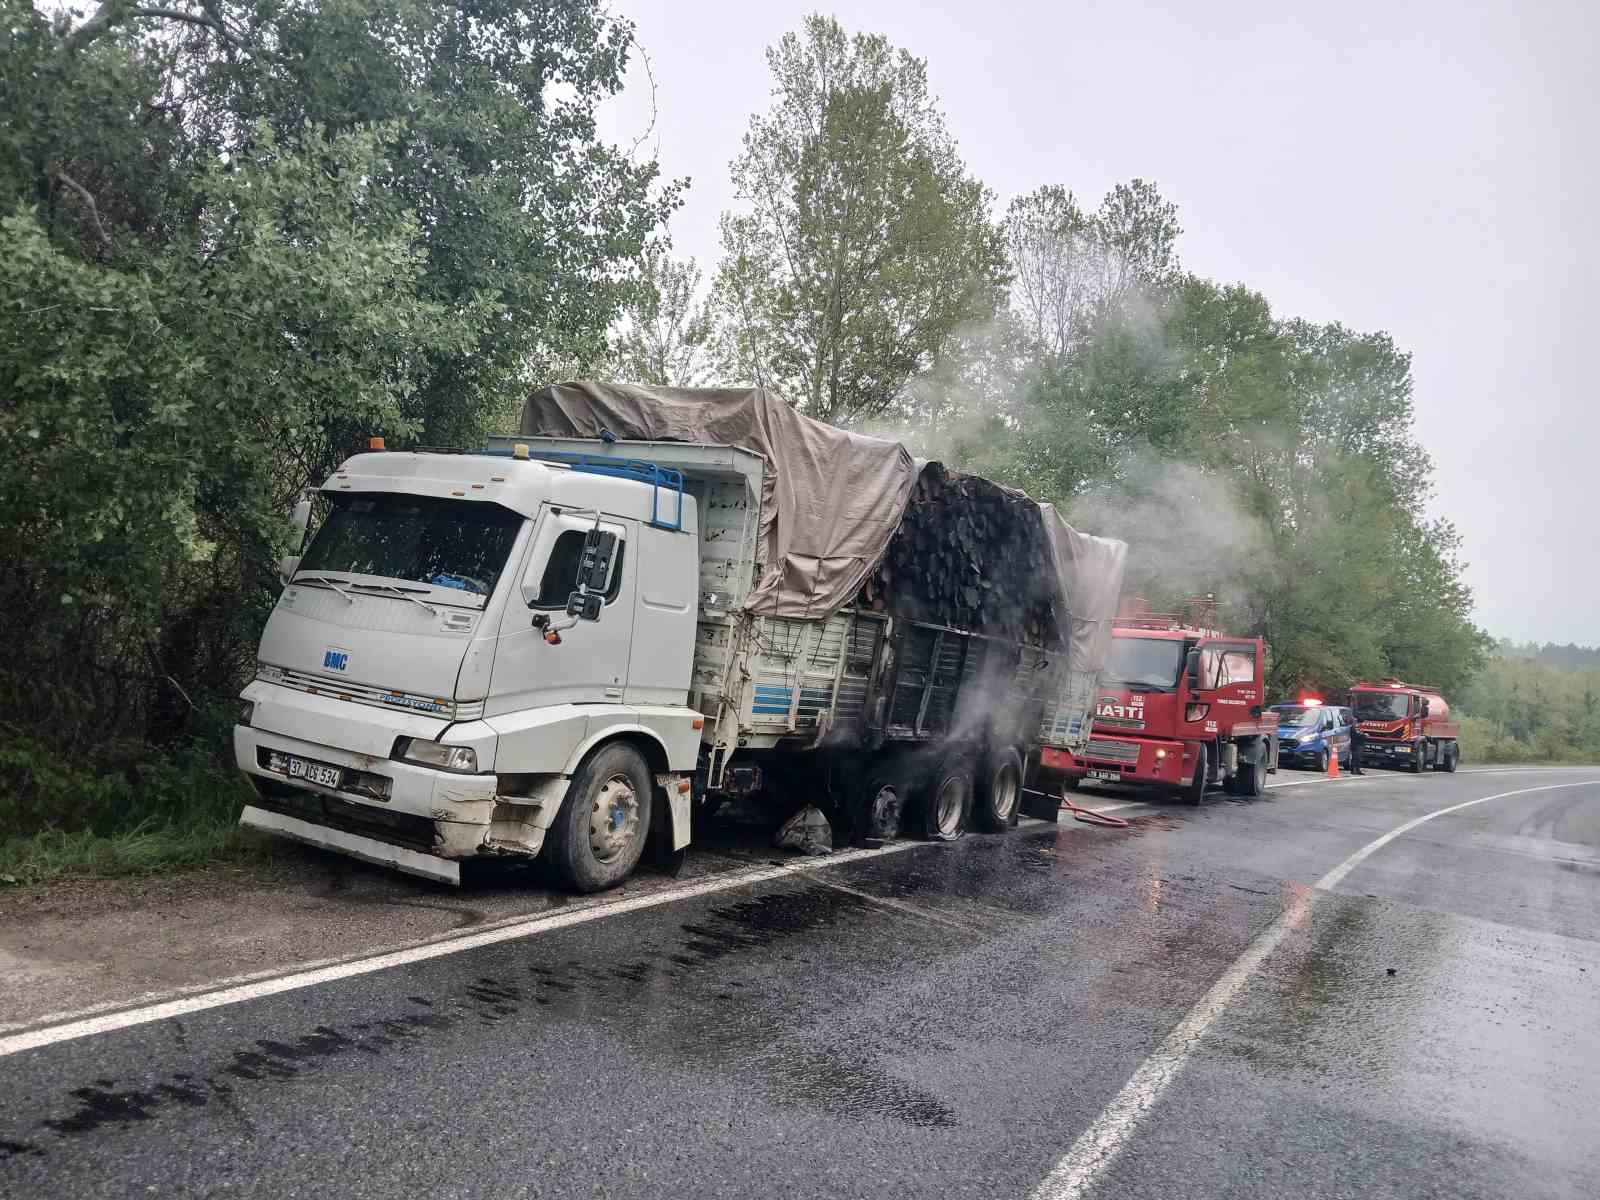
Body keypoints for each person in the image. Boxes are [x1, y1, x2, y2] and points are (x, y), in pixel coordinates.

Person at [1347, 709, 1366, 775]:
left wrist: (1362, 734)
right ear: (1352, 722)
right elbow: (1355, 736)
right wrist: (1363, 735)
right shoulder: (1352, 728)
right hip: (1355, 745)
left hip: (1358, 744)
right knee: (1355, 758)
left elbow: (1358, 733)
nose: (1356, 722)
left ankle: (1357, 770)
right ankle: (1354, 770)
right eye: (1355, 721)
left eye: (1356, 721)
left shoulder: (1355, 727)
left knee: (1358, 758)